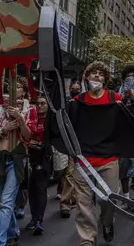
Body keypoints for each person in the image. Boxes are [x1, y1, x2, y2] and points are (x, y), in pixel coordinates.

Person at [67, 61, 121, 245]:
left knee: (108, 201)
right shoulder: (76, 103)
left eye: (100, 73)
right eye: (93, 73)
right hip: (83, 162)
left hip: (109, 160)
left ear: (105, 79)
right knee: (83, 205)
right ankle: (87, 240)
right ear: (87, 77)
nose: (97, 76)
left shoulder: (115, 99)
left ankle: (107, 223)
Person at [0, 76, 38, 246]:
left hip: (17, 158)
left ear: (23, 91)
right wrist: (4, 129)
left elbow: (28, 136)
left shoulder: (29, 109)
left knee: (6, 202)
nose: (14, 89)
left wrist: (20, 119)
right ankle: (12, 231)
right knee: (2, 200)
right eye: (11, 86)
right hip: (0, 157)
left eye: (18, 87)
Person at [24, 96, 53, 236]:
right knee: (32, 189)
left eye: (43, 103)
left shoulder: (50, 121)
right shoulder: (30, 118)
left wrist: (40, 145)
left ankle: (39, 220)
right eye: (38, 103)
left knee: (41, 189)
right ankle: (33, 218)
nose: (40, 106)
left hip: (44, 158)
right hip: (30, 157)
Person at [118, 66, 134, 204]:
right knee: (123, 165)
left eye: (133, 75)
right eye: (128, 75)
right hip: (122, 134)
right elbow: (117, 110)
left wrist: (132, 98)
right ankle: (126, 196)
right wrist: (123, 98)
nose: (130, 77)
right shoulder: (119, 91)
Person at [58, 82, 80, 218]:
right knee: (70, 173)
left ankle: (74, 200)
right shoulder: (65, 105)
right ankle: (65, 203)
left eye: (77, 90)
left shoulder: (83, 104)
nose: (75, 91)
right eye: (73, 89)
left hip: (84, 144)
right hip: (71, 144)